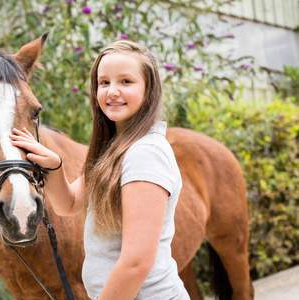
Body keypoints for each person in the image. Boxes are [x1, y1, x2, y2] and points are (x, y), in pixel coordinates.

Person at [10, 40, 189, 300]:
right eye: (104, 83)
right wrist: (54, 166)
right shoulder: (116, 150)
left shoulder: (145, 155)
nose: (112, 91)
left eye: (125, 82)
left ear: (149, 89)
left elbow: (135, 263)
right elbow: (68, 204)